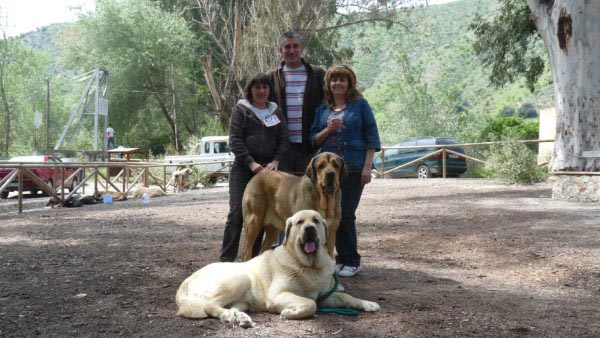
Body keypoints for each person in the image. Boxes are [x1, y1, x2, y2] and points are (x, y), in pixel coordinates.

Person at [309, 65, 381, 277]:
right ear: (328, 84)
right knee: (330, 214)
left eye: (342, 80)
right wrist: (328, 129)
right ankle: (338, 259)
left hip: (353, 168)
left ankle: (352, 260)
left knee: (346, 213)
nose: (337, 83)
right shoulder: (322, 110)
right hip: (328, 173)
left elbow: (372, 137)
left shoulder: (360, 105)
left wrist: (368, 167)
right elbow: (313, 139)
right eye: (334, 80)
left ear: (349, 83)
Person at [219, 73, 289, 262]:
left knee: (261, 216)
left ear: (269, 90)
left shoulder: (276, 111)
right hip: (243, 169)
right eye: (257, 87)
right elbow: (235, 140)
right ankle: (226, 260)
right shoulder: (241, 109)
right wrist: (251, 163)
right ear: (250, 90)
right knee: (236, 215)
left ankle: (253, 260)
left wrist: (276, 161)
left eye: (265, 87)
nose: (261, 91)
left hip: (270, 172)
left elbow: (283, 139)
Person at [266, 31, 325, 175]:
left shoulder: (317, 74)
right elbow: (263, 109)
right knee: (283, 193)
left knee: (307, 191)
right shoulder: (270, 77)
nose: (291, 51)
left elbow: (328, 104)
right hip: (282, 149)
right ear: (280, 50)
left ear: (302, 48)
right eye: (287, 47)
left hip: (310, 147)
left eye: (295, 46)